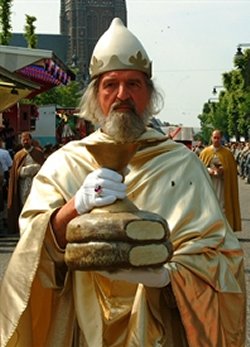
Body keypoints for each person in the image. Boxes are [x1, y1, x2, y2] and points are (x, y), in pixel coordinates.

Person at [0, 18, 246, 347]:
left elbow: (223, 259)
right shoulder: (64, 164)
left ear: (150, 94)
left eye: (134, 84)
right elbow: (29, 255)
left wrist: (169, 277)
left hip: (160, 332)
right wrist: (74, 208)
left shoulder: (183, 164)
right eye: (110, 84)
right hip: (82, 332)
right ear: (94, 95)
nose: (122, 95)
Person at [199, 129, 241, 231]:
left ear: (221, 138)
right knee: (210, 206)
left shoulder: (227, 153)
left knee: (222, 206)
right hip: (209, 184)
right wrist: (209, 170)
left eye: (218, 138)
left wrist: (223, 170)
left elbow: (231, 170)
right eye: (214, 137)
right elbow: (199, 168)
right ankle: (209, 230)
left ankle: (224, 229)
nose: (216, 140)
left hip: (222, 185)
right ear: (211, 138)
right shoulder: (205, 152)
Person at [7, 131, 45, 234]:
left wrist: (31, 169)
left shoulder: (38, 153)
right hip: (23, 184)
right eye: (23, 140)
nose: (25, 141)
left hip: (35, 183)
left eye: (27, 139)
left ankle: (35, 227)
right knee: (24, 204)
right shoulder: (18, 155)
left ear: (31, 140)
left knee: (35, 204)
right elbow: (16, 172)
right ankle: (24, 228)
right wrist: (26, 171)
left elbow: (42, 168)